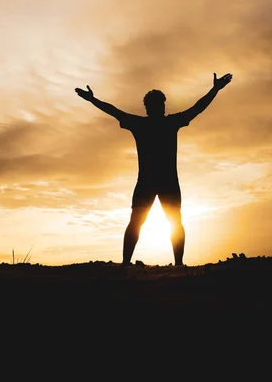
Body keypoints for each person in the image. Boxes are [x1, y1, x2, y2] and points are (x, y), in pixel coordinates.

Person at [75, 72, 233, 266]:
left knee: (161, 221)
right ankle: (146, 264)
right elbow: (196, 109)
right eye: (158, 104)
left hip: (156, 182)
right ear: (152, 107)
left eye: (160, 103)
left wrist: (215, 89)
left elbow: (197, 108)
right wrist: (93, 100)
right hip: (156, 182)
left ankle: (171, 264)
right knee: (146, 221)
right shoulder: (162, 123)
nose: (160, 107)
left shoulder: (149, 124)